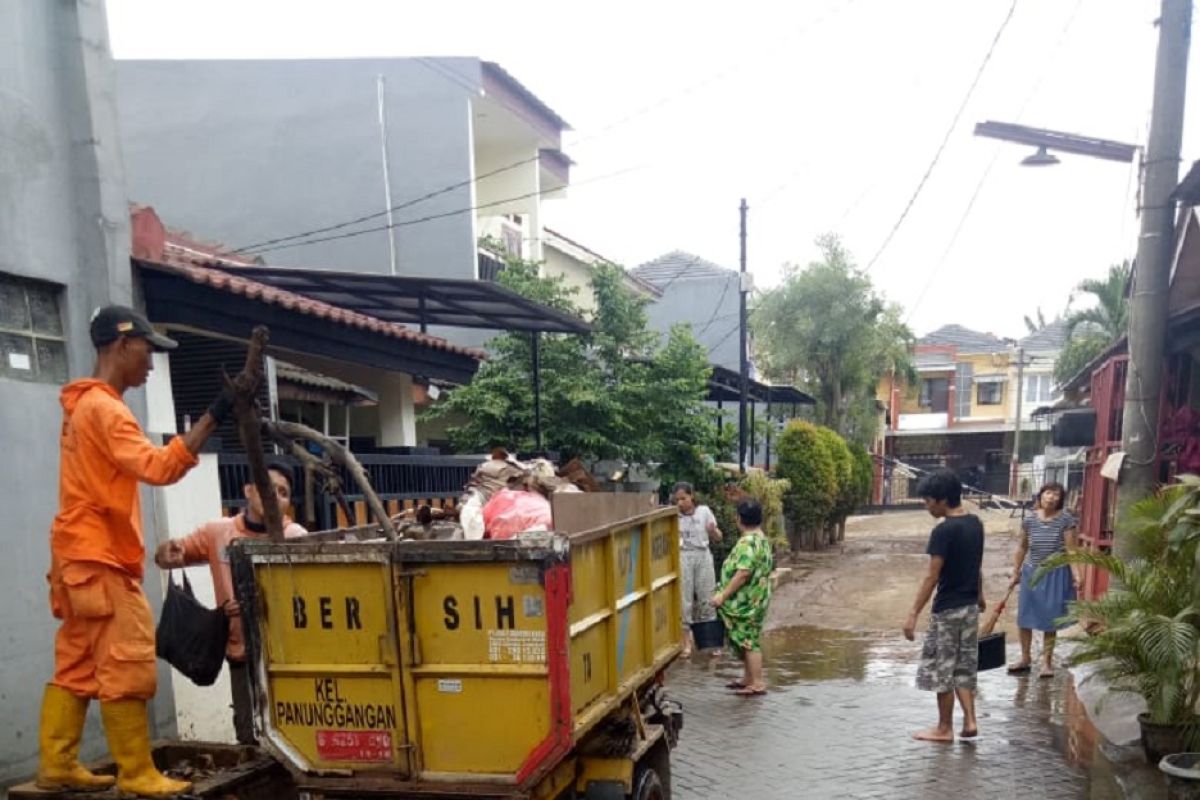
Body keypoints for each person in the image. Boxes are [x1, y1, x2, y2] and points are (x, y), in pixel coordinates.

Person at [38, 306, 231, 796]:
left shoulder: (82, 408)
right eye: (147, 351)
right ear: (122, 345)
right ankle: (138, 773)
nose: (150, 363)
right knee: (128, 658)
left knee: (78, 662)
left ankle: (57, 763)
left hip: (76, 559)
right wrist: (215, 414)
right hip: (99, 559)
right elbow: (159, 467)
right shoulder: (104, 408)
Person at [155, 461, 307, 744]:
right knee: (248, 732)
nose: (274, 495)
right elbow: (168, 557)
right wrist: (166, 552)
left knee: (294, 734)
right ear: (248, 490)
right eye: (267, 487)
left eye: (283, 492)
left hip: (288, 658)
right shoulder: (218, 533)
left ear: (288, 503)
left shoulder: (295, 538)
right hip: (241, 654)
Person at [903, 468, 986, 743]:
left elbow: (932, 575)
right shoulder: (976, 524)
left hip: (948, 609)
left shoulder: (944, 531)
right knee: (964, 666)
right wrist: (981, 595)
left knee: (944, 669)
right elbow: (976, 566)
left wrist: (913, 613)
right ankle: (971, 721)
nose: (927, 506)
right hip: (970, 607)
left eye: (928, 501)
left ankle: (944, 728)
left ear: (941, 500)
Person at [1007, 482, 1080, 679]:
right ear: (1040, 495)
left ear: (1060, 500)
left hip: (1055, 574)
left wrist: (1076, 574)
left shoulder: (1066, 520)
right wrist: (1016, 572)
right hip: (1031, 573)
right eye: (1048, 493)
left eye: (1056, 495)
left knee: (1050, 620)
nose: (1052, 497)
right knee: (1024, 618)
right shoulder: (1029, 520)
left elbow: (1071, 550)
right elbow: (1022, 547)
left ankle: (1046, 663)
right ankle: (1025, 658)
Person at [712, 499, 774, 696]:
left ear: (738, 519)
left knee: (749, 640)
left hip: (746, 600)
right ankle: (748, 678)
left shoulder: (748, 543)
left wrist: (723, 595)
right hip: (756, 596)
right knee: (746, 639)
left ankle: (757, 682)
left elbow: (743, 573)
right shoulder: (760, 538)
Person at [673, 482, 722, 658]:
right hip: (683, 555)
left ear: (691, 496)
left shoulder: (704, 512)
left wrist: (713, 530)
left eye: (683, 498)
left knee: (707, 598)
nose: (680, 503)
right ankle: (687, 643)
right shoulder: (673, 516)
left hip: (702, 555)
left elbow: (718, 536)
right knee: (684, 600)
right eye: (677, 499)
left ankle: (713, 643)